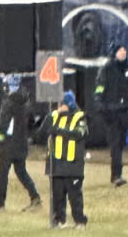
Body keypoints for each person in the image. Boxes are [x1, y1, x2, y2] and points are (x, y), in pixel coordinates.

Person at [0, 75, 40, 212]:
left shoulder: (8, 102)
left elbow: (3, 126)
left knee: (2, 173)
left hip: (8, 145)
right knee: (21, 171)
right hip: (22, 143)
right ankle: (35, 197)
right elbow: (32, 123)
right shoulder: (27, 102)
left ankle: (0, 204)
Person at [93, 45, 128, 187]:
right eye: (120, 51)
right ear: (115, 53)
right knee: (115, 144)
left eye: (125, 51)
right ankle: (116, 175)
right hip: (111, 113)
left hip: (124, 114)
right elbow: (100, 88)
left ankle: (118, 173)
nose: (123, 53)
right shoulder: (107, 69)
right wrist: (101, 104)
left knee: (120, 143)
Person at [46, 90, 88, 228]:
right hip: (57, 164)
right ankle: (58, 220)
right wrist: (51, 118)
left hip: (73, 165)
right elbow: (40, 132)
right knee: (57, 196)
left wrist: (58, 131)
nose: (59, 106)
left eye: (62, 103)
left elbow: (79, 133)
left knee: (75, 197)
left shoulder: (79, 117)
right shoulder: (54, 116)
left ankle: (80, 221)